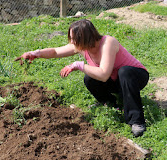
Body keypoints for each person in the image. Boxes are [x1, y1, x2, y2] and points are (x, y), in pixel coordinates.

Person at [19, 19, 149, 137]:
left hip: (135, 77)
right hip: (116, 81)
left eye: (74, 38)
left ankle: (136, 121)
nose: (72, 42)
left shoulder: (108, 43)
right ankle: (111, 103)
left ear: (85, 37)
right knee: (89, 78)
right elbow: (56, 51)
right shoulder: (81, 46)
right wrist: (36, 53)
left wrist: (79, 65)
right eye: (71, 38)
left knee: (124, 71)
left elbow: (103, 75)